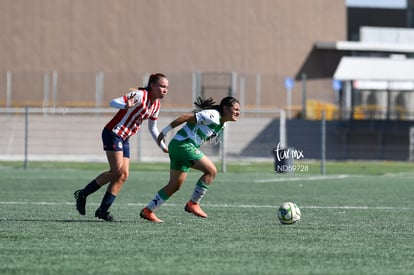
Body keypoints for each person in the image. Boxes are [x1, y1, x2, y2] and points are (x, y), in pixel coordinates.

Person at [74, 73, 169, 221]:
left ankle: (102, 211)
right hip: (113, 133)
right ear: (152, 86)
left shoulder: (156, 104)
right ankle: (83, 194)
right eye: (162, 86)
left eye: (166, 87)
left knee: (123, 175)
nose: (165, 90)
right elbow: (113, 102)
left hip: (124, 138)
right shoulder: (139, 95)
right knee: (116, 171)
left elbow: (153, 127)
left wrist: (162, 145)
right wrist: (125, 105)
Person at [139, 96, 241, 223]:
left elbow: (199, 130)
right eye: (236, 109)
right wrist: (164, 132)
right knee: (211, 171)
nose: (238, 112)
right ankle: (193, 203)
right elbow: (185, 117)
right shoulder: (213, 115)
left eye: (239, 110)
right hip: (183, 145)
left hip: (180, 147)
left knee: (174, 185)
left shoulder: (222, 124)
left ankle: (148, 211)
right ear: (225, 109)